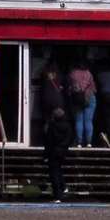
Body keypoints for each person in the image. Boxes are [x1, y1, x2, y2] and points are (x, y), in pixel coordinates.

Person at [40, 65, 72, 202]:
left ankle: (58, 195)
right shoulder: (68, 126)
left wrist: (46, 154)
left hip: (53, 152)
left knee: (54, 172)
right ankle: (63, 186)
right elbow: (69, 138)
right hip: (62, 151)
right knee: (59, 169)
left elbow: (49, 141)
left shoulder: (52, 127)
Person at [67, 59, 96, 148]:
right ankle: (89, 142)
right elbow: (93, 87)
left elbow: (70, 87)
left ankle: (79, 142)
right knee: (88, 121)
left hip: (77, 98)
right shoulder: (89, 73)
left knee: (79, 121)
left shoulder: (72, 73)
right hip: (89, 97)